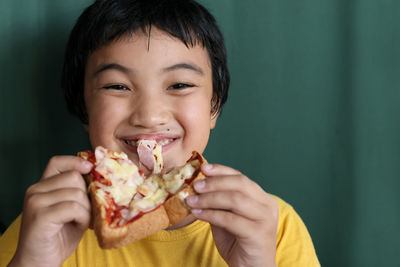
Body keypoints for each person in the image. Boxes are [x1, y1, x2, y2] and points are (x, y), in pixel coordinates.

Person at [0, 0, 320, 266]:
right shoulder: (44, 228)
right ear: (84, 110)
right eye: (117, 86)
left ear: (214, 105)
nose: (150, 116)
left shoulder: (273, 227)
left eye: (179, 85)